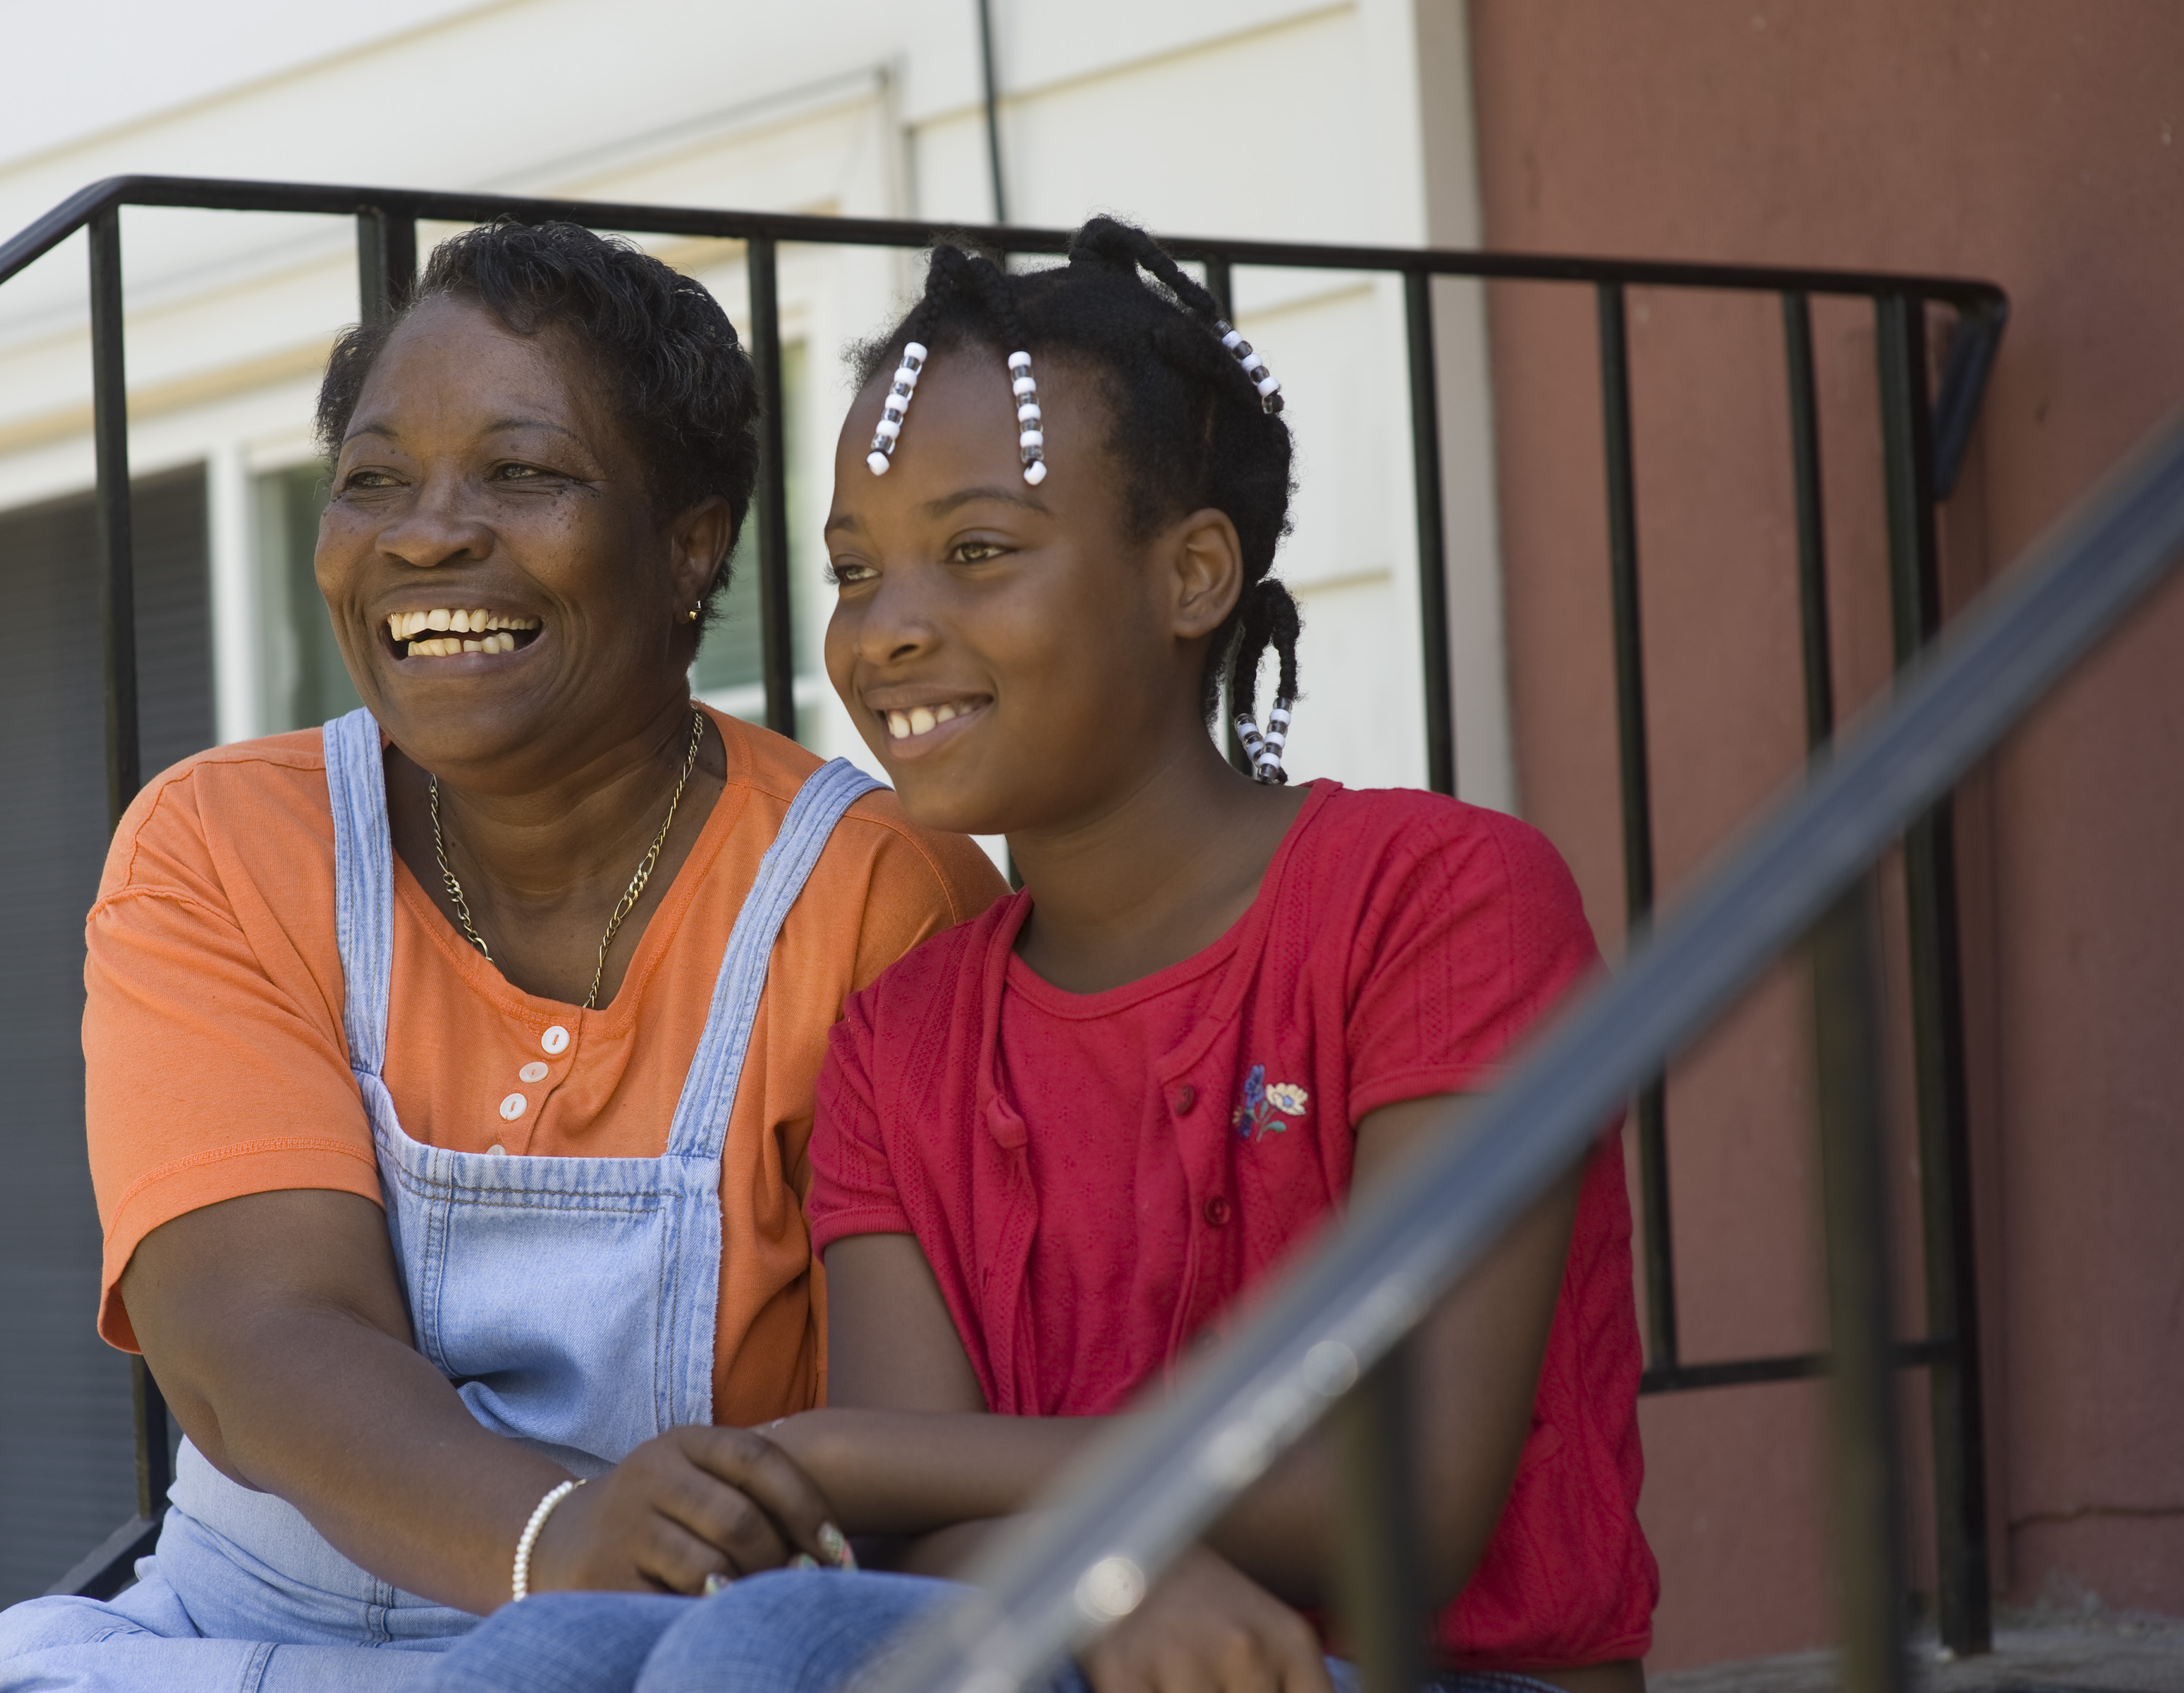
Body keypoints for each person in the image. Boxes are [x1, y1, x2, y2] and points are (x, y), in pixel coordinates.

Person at [424, 219, 1656, 1693]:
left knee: (782, 1636)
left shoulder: (1438, 902)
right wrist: (1106, 1572)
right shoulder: (900, 1036)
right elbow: (908, 1536)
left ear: (1192, 574)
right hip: (1066, 1640)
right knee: (544, 1652)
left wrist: (844, 1453)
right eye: (854, 572)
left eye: (977, 553)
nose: (886, 631)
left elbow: (1395, 1505)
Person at [0, 219, 1005, 1692]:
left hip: (661, 1649)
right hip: (234, 1635)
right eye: (372, 481)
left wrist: (591, 1582)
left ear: (691, 542)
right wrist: (556, 1531)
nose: (424, 534)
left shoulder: (872, 895)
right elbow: (250, 1335)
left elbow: (916, 1442)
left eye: (521, 474)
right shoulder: (223, 844)